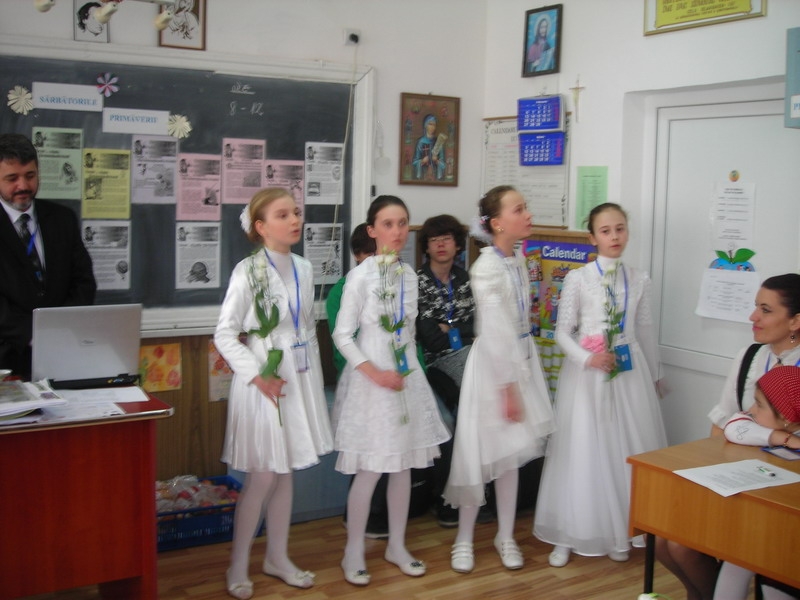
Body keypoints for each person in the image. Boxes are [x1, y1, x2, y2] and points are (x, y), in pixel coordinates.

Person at [214, 188, 334, 599]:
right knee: (263, 475)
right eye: (283, 215)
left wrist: (311, 382)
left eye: (296, 212)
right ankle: (238, 564)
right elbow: (225, 334)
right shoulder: (247, 271)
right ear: (261, 227)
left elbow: (307, 327)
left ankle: (277, 557)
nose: (295, 220)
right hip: (262, 378)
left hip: (296, 378)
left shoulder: (303, 267)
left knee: (285, 472)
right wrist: (258, 376)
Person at [534, 201, 667, 567]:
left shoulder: (639, 278)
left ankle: (622, 529)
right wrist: (587, 358)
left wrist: (655, 375)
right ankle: (570, 532)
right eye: (606, 231)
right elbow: (562, 333)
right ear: (592, 237)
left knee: (624, 447)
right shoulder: (578, 279)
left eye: (620, 229)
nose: (614, 236)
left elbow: (645, 330)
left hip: (628, 372)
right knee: (582, 448)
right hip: (587, 373)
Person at [656, 273, 800, 600]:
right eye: (755, 307)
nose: (753, 317)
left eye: (765, 310)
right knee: (665, 540)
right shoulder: (750, 356)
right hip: (738, 479)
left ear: (795, 321)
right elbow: (723, 423)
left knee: (682, 546)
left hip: (783, 495)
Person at [331, 195, 450, 586]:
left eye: (402, 223)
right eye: (387, 224)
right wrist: (374, 372)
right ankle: (352, 551)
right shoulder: (360, 277)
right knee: (370, 470)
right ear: (372, 230)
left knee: (402, 466)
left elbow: (408, 332)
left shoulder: (409, 276)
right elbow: (342, 336)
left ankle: (397, 545)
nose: (397, 232)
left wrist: (406, 372)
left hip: (404, 377)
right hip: (372, 380)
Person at [443, 185, 555, 573]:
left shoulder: (519, 260)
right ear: (497, 223)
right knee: (479, 455)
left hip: (521, 363)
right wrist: (508, 389)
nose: (527, 214)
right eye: (518, 209)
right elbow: (494, 331)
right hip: (494, 371)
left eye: (525, 207)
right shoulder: (486, 268)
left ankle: (505, 535)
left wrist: (521, 377)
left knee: (511, 457)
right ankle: (464, 538)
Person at [0, 133, 96, 380]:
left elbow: (83, 282)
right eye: (12, 178)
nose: (23, 186)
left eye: (30, 175)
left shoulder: (62, 219)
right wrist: (34, 334)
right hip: (7, 359)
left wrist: (59, 328)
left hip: (63, 354)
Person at [714, 366, 800, 600]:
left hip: (790, 540)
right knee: (740, 555)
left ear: (786, 417)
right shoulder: (780, 430)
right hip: (771, 525)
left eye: (759, 405)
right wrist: (781, 437)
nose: (751, 410)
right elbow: (734, 426)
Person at [416, 214, 477, 528]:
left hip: (470, 357)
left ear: (457, 245)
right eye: (434, 240)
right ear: (426, 247)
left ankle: (478, 493)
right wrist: (456, 330)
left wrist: (448, 326)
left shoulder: (465, 279)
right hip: (431, 365)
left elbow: (476, 326)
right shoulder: (417, 282)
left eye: (447, 239)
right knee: (453, 420)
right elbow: (430, 337)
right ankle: (447, 498)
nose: (441, 245)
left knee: (482, 410)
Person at [412, 115, 446, 181]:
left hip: (435, 176)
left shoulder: (438, 142)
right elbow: (414, 163)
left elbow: (444, 165)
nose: (432, 127)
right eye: (430, 124)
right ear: (425, 125)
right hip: (423, 174)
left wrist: (436, 161)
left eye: (434, 125)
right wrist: (422, 161)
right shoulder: (420, 142)